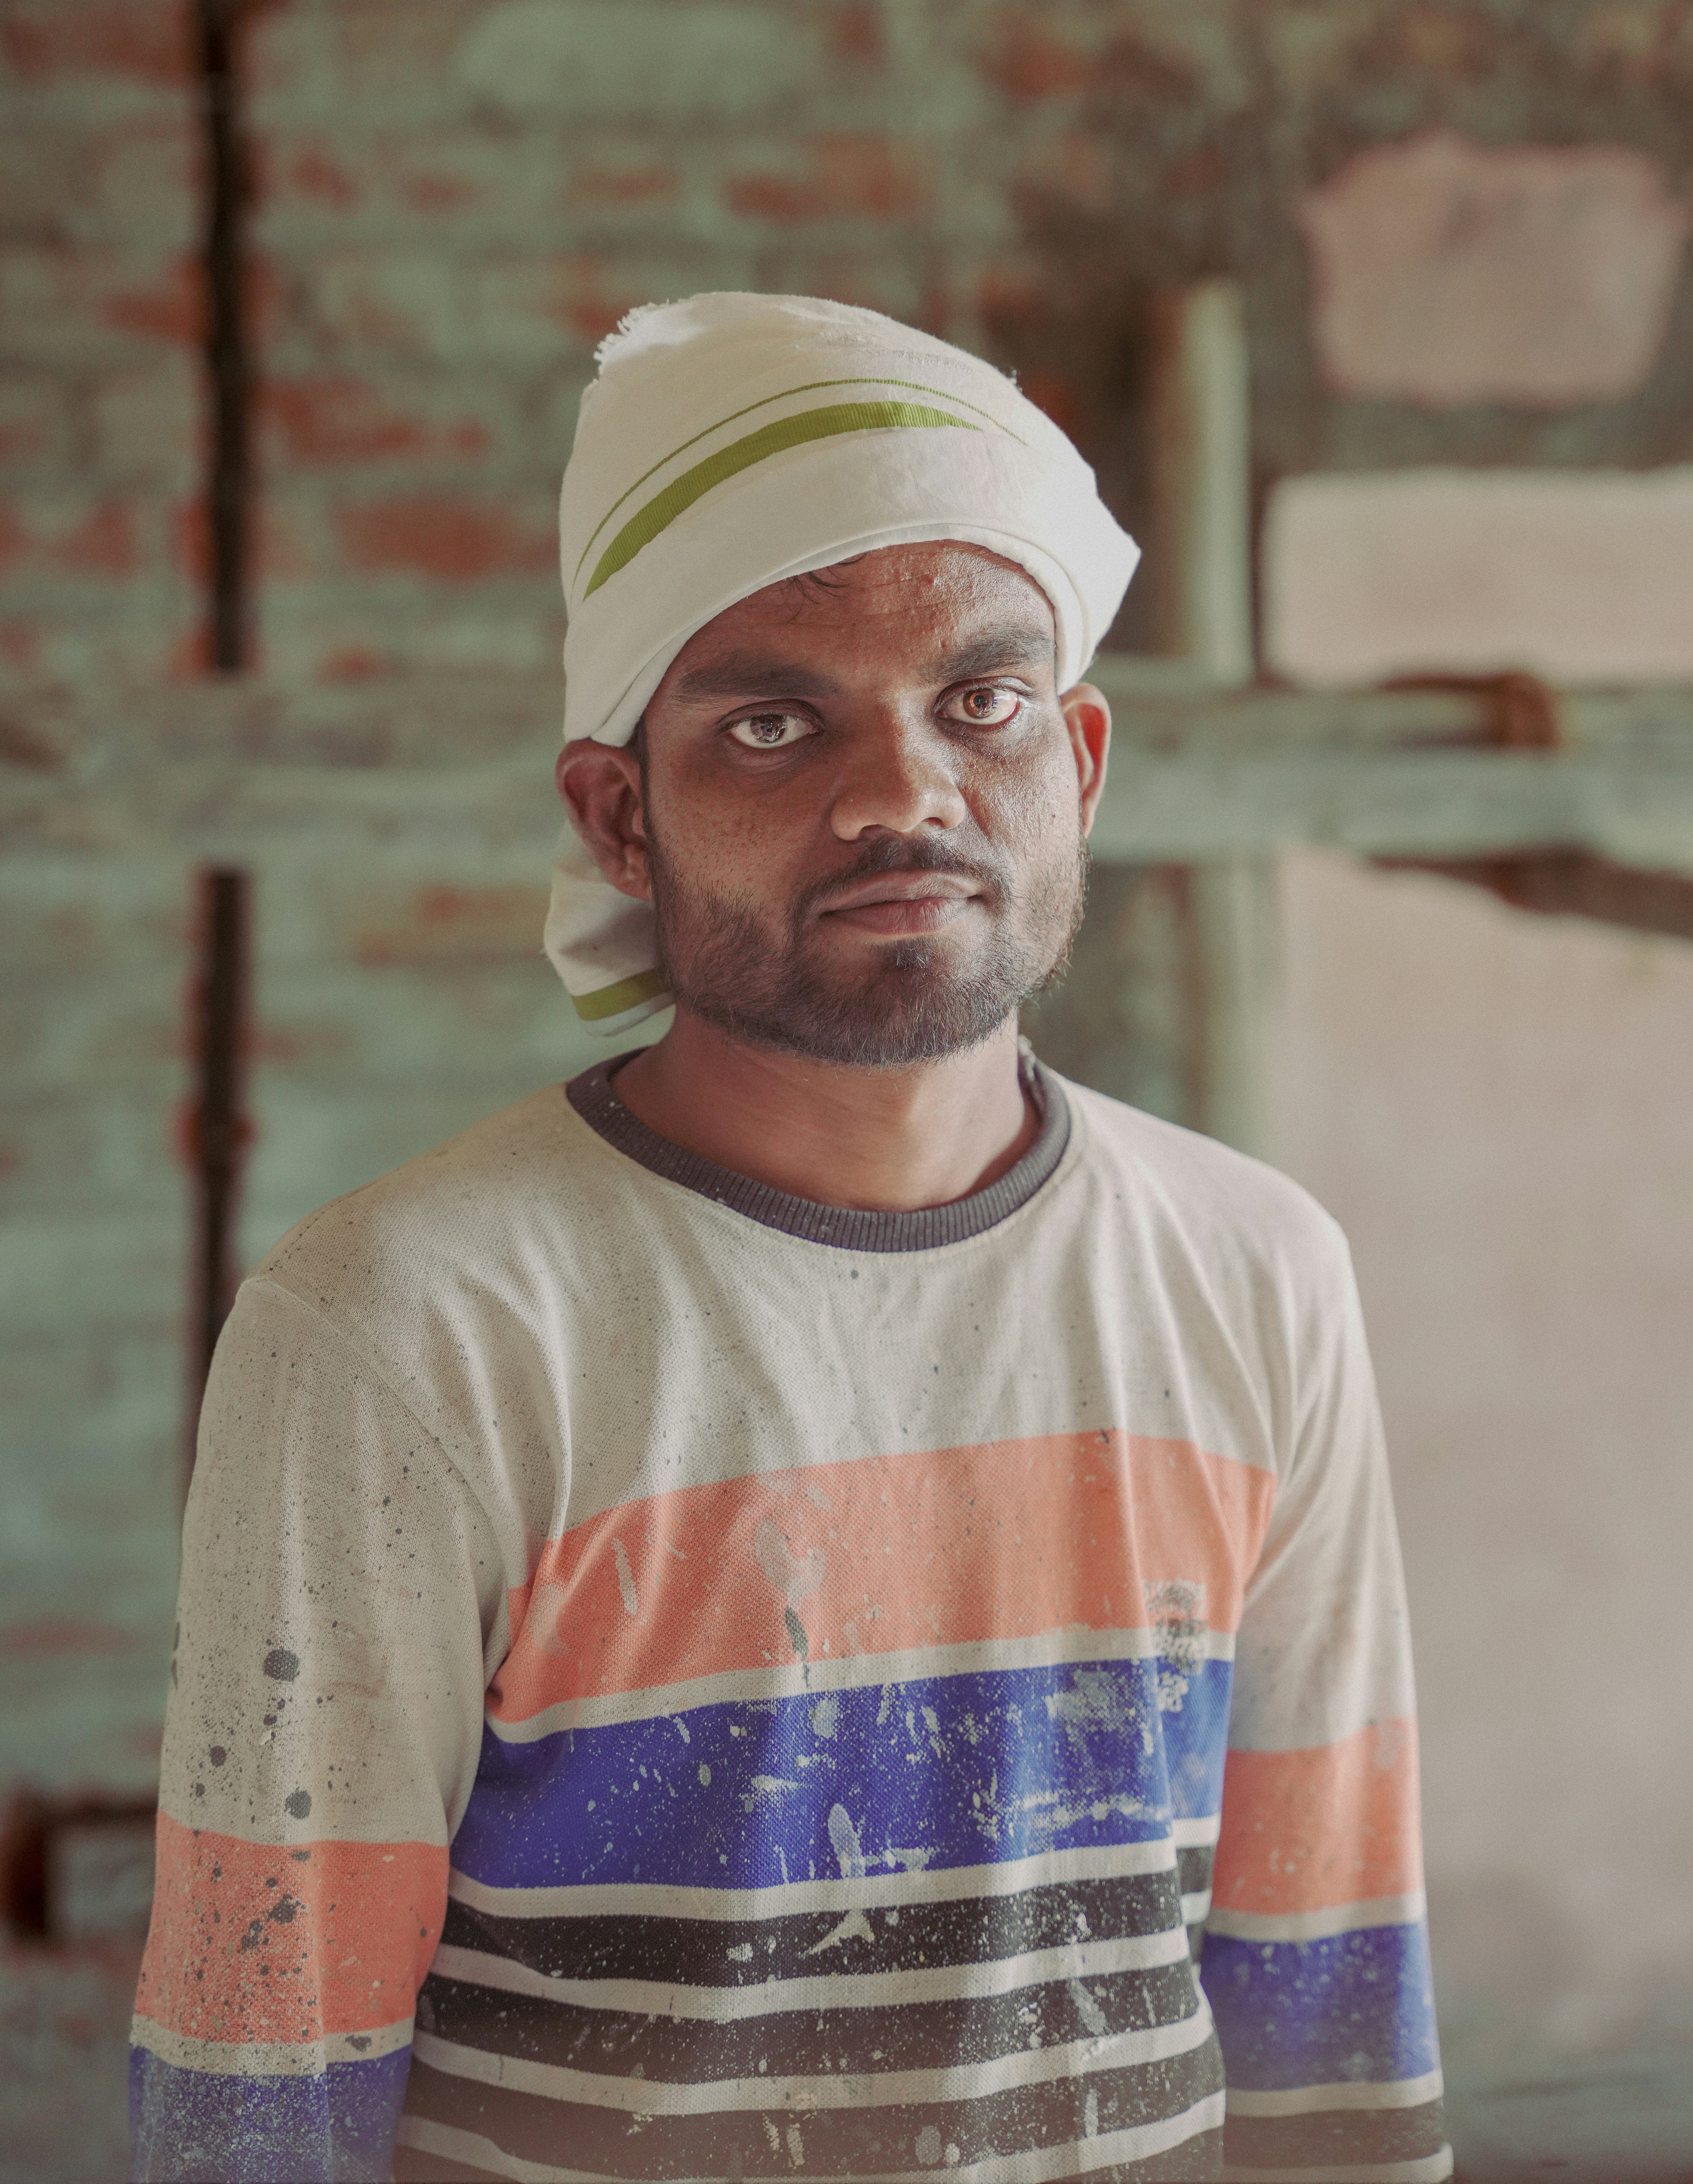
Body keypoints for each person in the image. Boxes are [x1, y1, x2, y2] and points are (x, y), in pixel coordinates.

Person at [131, 295, 1449, 2183]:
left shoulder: (1256, 1270)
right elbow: (261, 2082)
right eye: (771, 720)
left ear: (1078, 759)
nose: (903, 790)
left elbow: (1328, 1988)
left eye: (978, 703)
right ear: (617, 815)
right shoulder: (405, 1324)